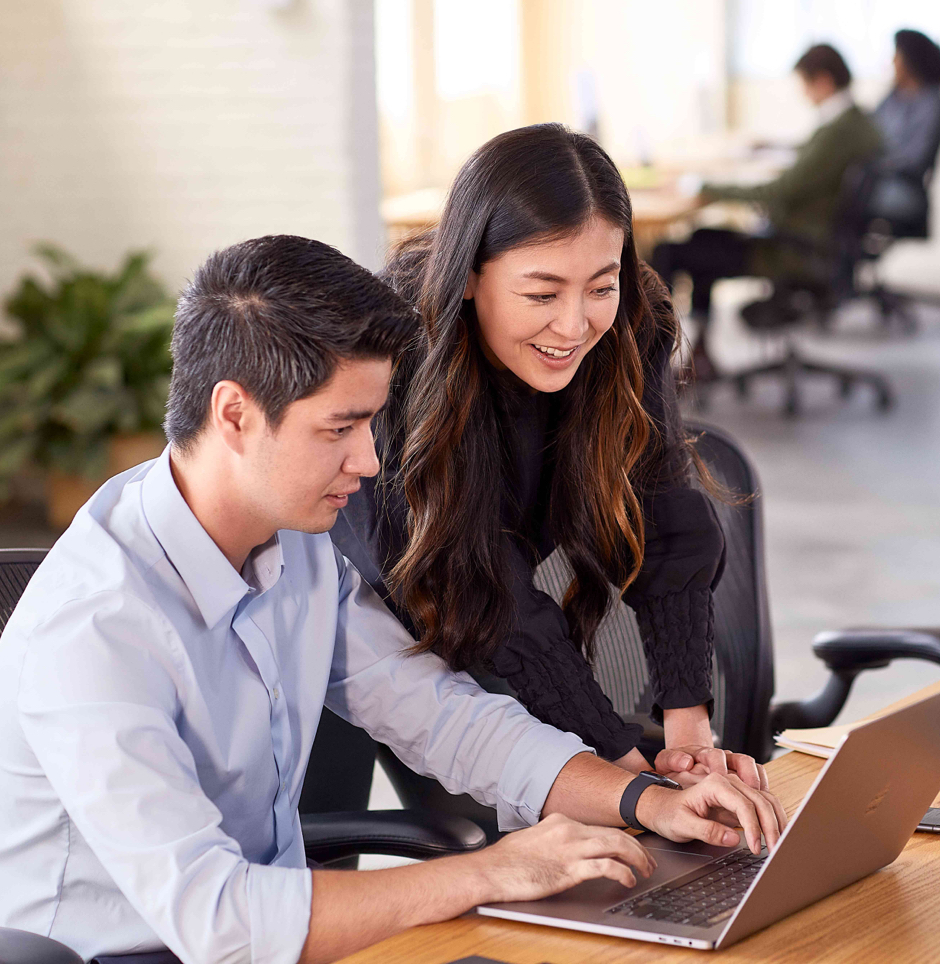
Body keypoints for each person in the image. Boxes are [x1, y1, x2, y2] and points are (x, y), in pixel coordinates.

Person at [0, 235, 786, 964]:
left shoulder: (293, 542)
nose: (371, 462)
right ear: (234, 414)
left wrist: (644, 799)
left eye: (372, 423)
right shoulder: (96, 628)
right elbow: (220, 920)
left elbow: (441, 714)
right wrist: (488, 872)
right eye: (341, 428)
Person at [333, 123, 766, 837]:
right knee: (322, 869)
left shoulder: (628, 323)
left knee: (604, 831)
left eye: (602, 284)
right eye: (541, 293)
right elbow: (479, 585)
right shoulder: (397, 355)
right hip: (362, 613)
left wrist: (688, 730)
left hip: (490, 610)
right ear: (470, 274)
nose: (575, 324)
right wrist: (625, 765)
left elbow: (663, 511)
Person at [651, 44, 881, 378]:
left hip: (795, 250)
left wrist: (703, 187)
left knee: (673, 252)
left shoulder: (838, 131)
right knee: (702, 239)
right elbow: (813, 157)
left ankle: (653, 369)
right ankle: (699, 355)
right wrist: (776, 147)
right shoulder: (855, 123)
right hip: (815, 242)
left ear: (823, 80)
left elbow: (779, 190)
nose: (803, 93)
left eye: (804, 84)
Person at [869, 29, 940, 228]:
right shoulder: (892, 97)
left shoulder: (931, 105)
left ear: (911, 61)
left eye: (897, 56)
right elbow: (865, 133)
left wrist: (872, 163)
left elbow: (914, 160)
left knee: (836, 199)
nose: (893, 63)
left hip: (901, 189)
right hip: (873, 182)